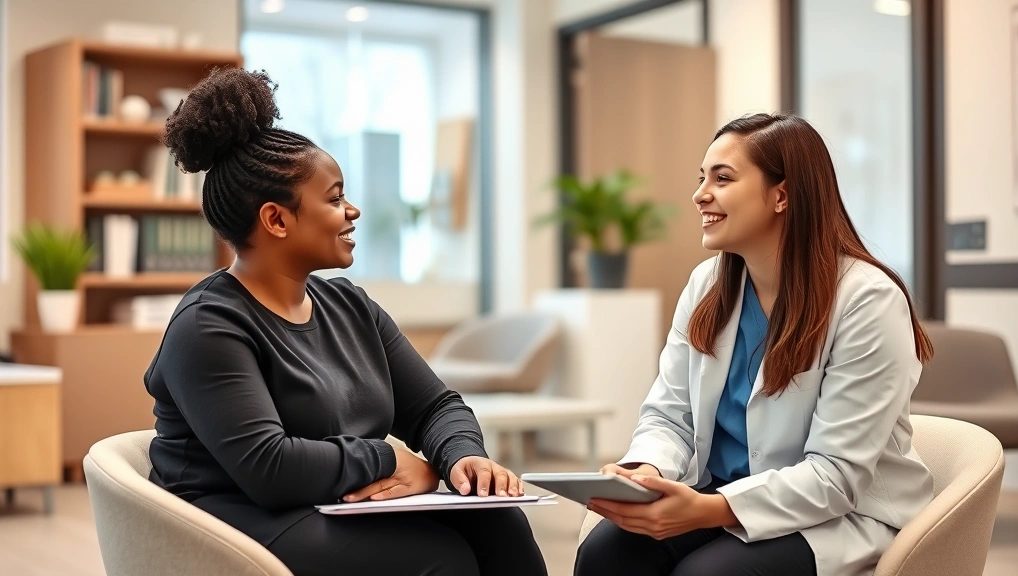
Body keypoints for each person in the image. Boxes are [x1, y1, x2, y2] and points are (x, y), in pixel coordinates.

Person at [144, 67, 547, 576]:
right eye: (334, 199)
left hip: (330, 502)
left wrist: (461, 458)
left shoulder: (350, 307)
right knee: (438, 559)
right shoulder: (208, 326)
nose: (352, 210)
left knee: (498, 520)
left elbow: (435, 406)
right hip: (237, 522)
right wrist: (388, 459)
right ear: (277, 220)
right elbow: (270, 468)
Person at [575, 113, 935, 576]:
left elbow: (836, 477)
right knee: (607, 554)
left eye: (722, 179)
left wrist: (710, 510)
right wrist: (649, 471)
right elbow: (669, 415)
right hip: (719, 494)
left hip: (836, 515)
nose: (700, 193)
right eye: (702, 178)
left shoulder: (867, 300)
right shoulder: (707, 285)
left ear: (781, 195)